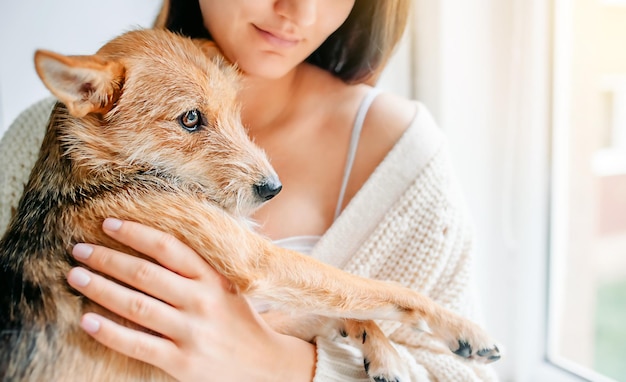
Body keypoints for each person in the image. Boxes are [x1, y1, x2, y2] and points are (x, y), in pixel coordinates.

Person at [0, 0, 498, 380]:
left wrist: (277, 364)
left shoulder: (408, 161)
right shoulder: (43, 138)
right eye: (192, 120)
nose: (297, 12)